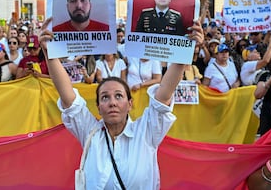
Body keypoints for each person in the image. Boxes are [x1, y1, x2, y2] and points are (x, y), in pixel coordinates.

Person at [38, 17, 204, 189]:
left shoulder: (146, 132)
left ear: (130, 104)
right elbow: (68, 97)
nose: (112, 103)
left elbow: (163, 95)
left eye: (118, 96)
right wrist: (50, 53)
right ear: (98, 108)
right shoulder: (89, 133)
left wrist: (185, 50)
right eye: (105, 97)